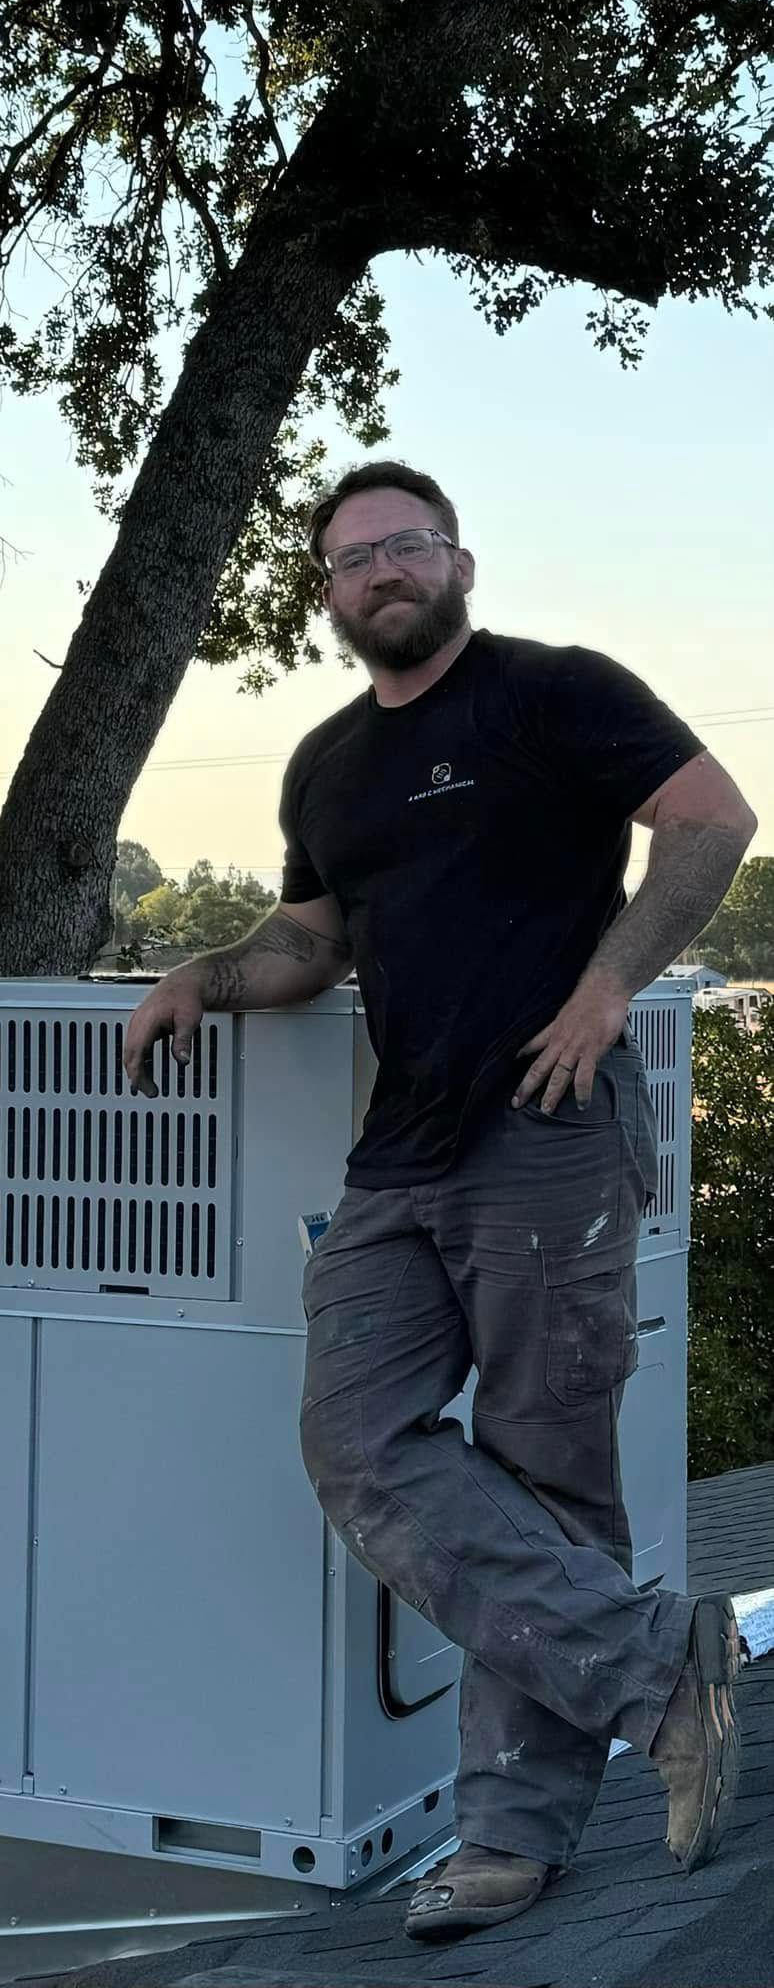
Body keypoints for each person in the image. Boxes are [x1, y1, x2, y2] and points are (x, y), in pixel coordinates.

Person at [122, 461, 756, 1940]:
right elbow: (306, 945)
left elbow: (711, 823)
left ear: (455, 561)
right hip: (395, 1156)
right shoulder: (328, 764)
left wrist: (607, 989)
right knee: (354, 1442)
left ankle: (508, 1841)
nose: (379, 572)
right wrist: (198, 980)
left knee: (547, 1474)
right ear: (329, 596)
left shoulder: (555, 693)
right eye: (350, 559)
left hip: (544, 1127)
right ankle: (661, 1677)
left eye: (402, 544)